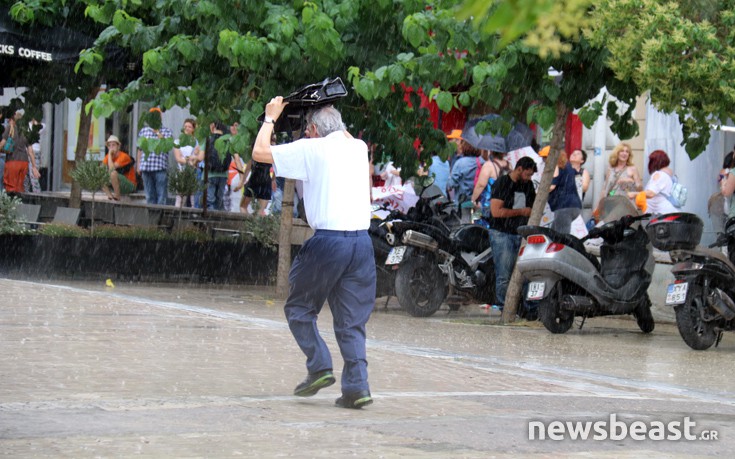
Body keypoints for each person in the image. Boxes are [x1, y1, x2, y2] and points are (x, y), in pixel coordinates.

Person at [252, 97, 376, 410]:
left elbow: (259, 153)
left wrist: (270, 118)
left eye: (308, 131)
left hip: (329, 242)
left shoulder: (312, 148)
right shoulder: (359, 147)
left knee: (299, 308)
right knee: (351, 321)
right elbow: (341, 134)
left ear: (312, 130)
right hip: (362, 243)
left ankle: (320, 366)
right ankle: (357, 388)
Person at [489, 156, 537, 310]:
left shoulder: (528, 185)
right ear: (519, 169)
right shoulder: (502, 183)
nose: (529, 178)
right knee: (504, 274)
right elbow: (496, 212)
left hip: (520, 234)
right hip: (502, 233)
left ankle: (526, 307)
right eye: (527, 174)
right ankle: (505, 307)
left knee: (526, 274)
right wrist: (521, 212)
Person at [137, 107, 173, 205]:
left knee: (162, 196)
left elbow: (167, 147)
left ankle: (161, 218)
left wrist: (157, 132)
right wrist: (138, 165)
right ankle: (152, 218)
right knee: (149, 196)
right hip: (146, 168)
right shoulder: (144, 131)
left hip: (160, 168)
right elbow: (140, 149)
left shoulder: (167, 131)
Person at [628, 149, 677, 215]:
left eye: (651, 161)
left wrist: (633, 194)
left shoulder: (659, 175)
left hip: (662, 214)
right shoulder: (669, 175)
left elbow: (651, 193)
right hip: (667, 213)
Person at [0, 109, 38, 194]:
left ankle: (11, 206)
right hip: (24, 163)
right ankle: (20, 205)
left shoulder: (10, 128)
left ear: (13, 120)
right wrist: (34, 167)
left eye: (10, 119)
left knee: (10, 187)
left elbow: (2, 143)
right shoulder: (26, 131)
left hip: (12, 161)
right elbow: (30, 150)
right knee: (20, 187)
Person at [448, 139, 484, 220]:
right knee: (478, 225)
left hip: (463, 203)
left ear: (465, 147)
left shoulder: (460, 163)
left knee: (464, 225)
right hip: (478, 202)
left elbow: (451, 184)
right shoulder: (482, 162)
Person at [548, 150, 583, 234]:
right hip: (575, 206)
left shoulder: (556, 166)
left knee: (561, 237)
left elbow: (552, 186)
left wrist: (538, 193)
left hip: (563, 207)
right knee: (553, 233)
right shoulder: (569, 167)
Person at [472, 150, 509, 227]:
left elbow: (481, 185)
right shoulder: (509, 165)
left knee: (481, 229)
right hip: (504, 205)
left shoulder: (489, 165)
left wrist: (473, 199)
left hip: (488, 205)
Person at [240, 135, 274, 216]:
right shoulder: (271, 151)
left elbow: (248, 168)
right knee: (261, 210)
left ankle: (247, 223)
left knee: (243, 207)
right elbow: (276, 168)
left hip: (254, 178)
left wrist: (242, 181)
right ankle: (256, 226)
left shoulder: (256, 150)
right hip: (266, 180)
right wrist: (273, 180)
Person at [172, 118, 201, 207]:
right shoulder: (177, 141)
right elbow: (178, 158)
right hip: (181, 171)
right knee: (180, 197)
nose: (187, 128)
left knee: (194, 197)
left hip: (193, 172)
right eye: (185, 126)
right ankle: (177, 216)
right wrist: (190, 160)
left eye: (189, 127)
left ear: (193, 129)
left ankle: (194, 216)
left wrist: (189, 159)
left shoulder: (197, 142)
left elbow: (198, 156)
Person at [101, 135, 137, 201]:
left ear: (118, 146)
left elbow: (112, 169)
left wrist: (109, 155)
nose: (111, 147)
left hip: (130, 185)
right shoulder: (108, 156)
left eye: (113, 145)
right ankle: (110, 196)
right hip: (118, 184)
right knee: (100, 175)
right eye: (109, 145)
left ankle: (117, 196)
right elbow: (101, 169)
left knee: (113, 173)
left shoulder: (123, 156)